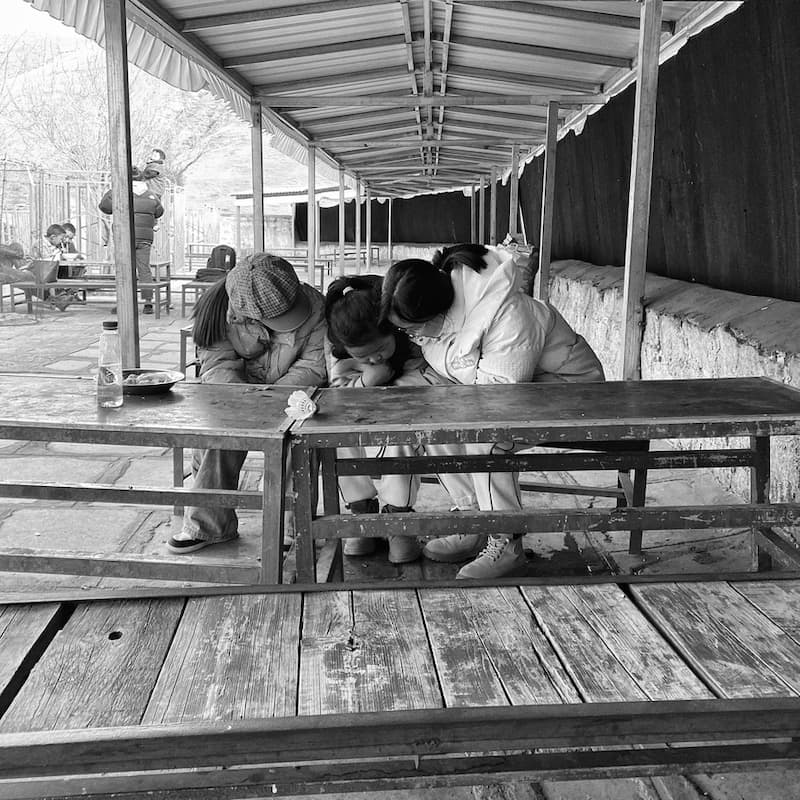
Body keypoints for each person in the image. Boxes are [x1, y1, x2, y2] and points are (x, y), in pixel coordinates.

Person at [381, 243, 605, 579]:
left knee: (486, 439)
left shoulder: (509, 315)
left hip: (568, 391)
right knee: (436, 420)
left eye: (412, 329)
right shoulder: (444, 305)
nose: (411, 336)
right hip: (519, 389)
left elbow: (497, 397)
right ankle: (473, 519)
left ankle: (507, 541)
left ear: (437, 313)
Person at [168, 252, 327, 553]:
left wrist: (275, 400)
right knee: (221, 436)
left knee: (298, 434)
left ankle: (292, 526)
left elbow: (313, 366)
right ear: (245, 312)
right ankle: (209, 524)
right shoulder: (217, 311)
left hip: (292, 394)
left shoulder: (316, 307)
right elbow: (217, 366)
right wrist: (248, 404)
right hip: (235, 395)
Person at [325, 275, 425, 564]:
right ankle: (362, 516)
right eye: (363, 357)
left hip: (403, 416)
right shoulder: (339, 344)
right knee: (341, 439)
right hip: (357, 416)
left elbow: (426, 384)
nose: (373, 360)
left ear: (393, 329)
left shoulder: (412, 338)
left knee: (399, 443)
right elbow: (339, 393)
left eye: (379, 350)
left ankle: (398, 520)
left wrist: (386, 382)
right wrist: (367, 383)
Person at [98, 167, 164, 314]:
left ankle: (124, 303)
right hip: (145, 239)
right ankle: (148, 303)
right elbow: (159, 211)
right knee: (144, 269)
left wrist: (113, 189)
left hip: (124, 237)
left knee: (124, 270)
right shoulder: (151, 195)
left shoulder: (120, 192)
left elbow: (104, 207)